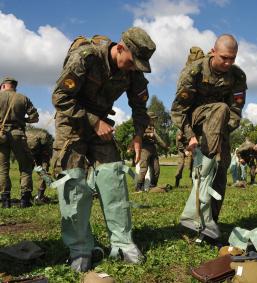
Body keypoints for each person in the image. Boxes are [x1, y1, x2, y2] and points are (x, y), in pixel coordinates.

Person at [50, 27, 155, 272]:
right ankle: (80, 248)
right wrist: (94, 121)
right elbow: (60, 97)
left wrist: (138, 135)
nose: (133, 68)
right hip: (71, 119)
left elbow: (140, 106)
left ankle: (122, 243)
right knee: (73, 182)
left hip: (101, 122)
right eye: (131, 61)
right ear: (120, 48)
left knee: (113, 177)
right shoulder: (86, 57)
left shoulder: (133, 70)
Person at [171, 34, 247, 241]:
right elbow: (178, 111)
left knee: (220, 172)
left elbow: (236, 113)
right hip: (195, 122)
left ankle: (209, 222)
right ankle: (193, 220)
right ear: (213, 51)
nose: (228, 63)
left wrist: (221, 137)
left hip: (220, 128)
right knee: (219, 108)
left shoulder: (237, 77)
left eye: (232, 58)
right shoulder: (194, 71)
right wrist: (190, 137)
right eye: (224, 57)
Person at [0, 77, 39, 208]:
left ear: (4, 86)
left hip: (1, 135)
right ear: (14, 86)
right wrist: (22, 120)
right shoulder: (22, 98)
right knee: (26, 166)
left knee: (2, 169)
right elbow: (34, 118)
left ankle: (5, 200)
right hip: (18, 134)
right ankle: (25, 200)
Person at [135, 111, 168, 192]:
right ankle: (139, 187)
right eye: (153, 119)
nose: (154, 120)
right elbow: (137, 136)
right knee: (143, 168)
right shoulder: (141, 126)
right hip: (144, 149)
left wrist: (165, 146)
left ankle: (153, 186)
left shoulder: (153, 127)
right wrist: (148, 135)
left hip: (153, 149)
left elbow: (157, 139)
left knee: (156, 169)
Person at [25, 127, 54, 204]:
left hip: (43, 151)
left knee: (42, 171)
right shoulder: (26, 137)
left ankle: (37, 196)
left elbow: (47, 152)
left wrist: (43, 168)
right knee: (26, 172)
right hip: (30, 150)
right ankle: (29, 196)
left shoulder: (46, 138)